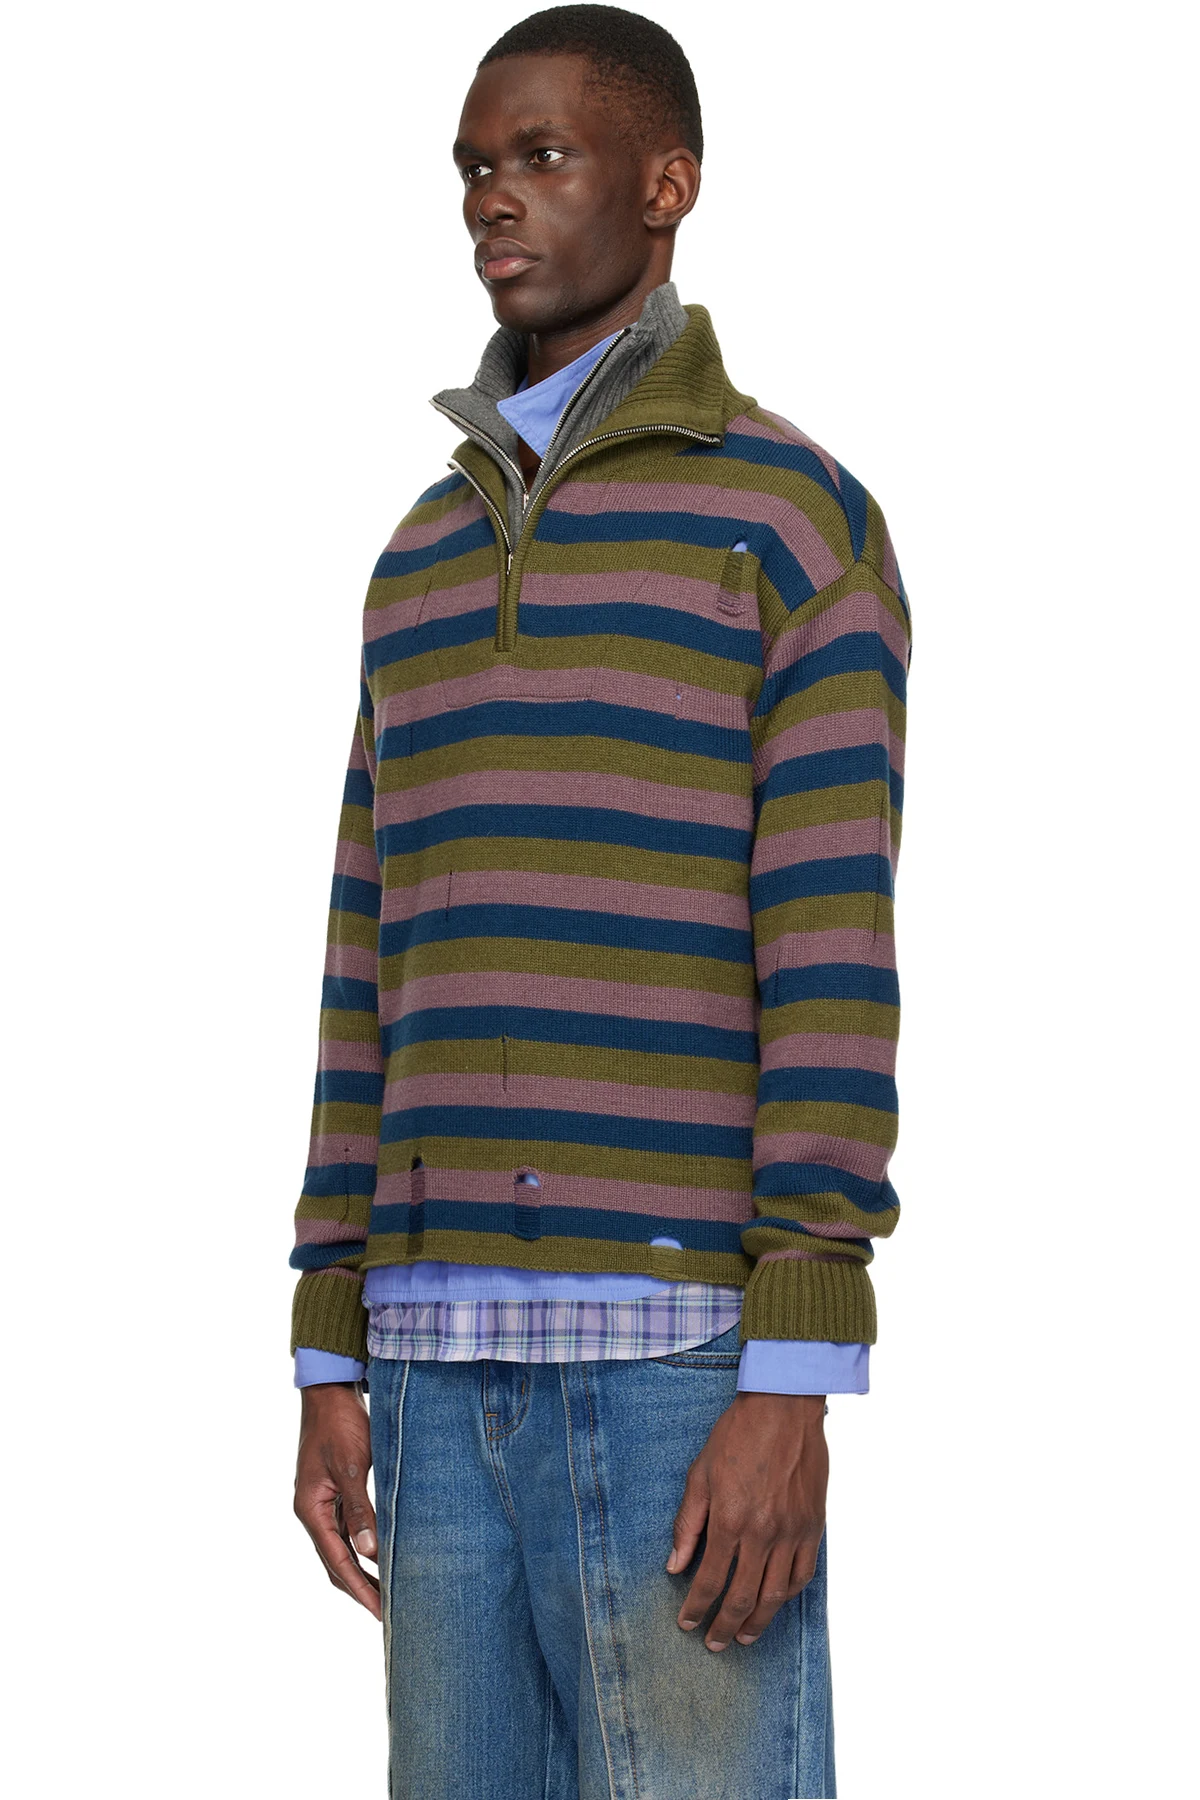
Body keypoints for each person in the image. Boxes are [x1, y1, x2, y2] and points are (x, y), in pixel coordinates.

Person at [289, 7, 910, 1795]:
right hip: (427, 1365)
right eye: (476, 167)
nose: (494, 197)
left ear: (667, 184)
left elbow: (831, 954)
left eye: (543, 156)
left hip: (677, 1362)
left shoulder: (790, 525)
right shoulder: (418, 554)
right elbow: (366, 952)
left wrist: (794, 1376)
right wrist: (329, 1332)